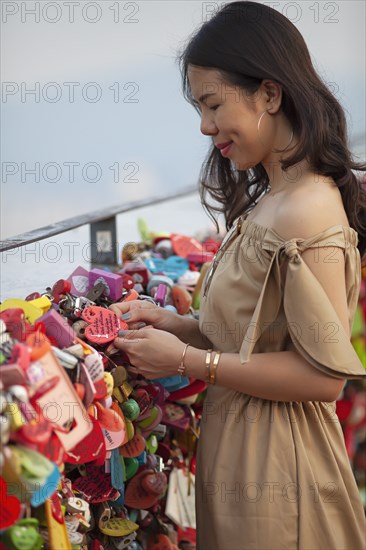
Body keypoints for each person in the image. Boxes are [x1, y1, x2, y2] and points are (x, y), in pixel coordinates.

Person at [111, 2, 366, 548]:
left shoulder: (308, 208)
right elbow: (257, 335)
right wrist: (178, 324)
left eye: (212, 104)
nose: (206, 127)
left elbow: (323, 377)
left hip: (284, 474)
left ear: (270, 95)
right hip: (246, 460)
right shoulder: (273, 199)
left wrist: (186, 361)